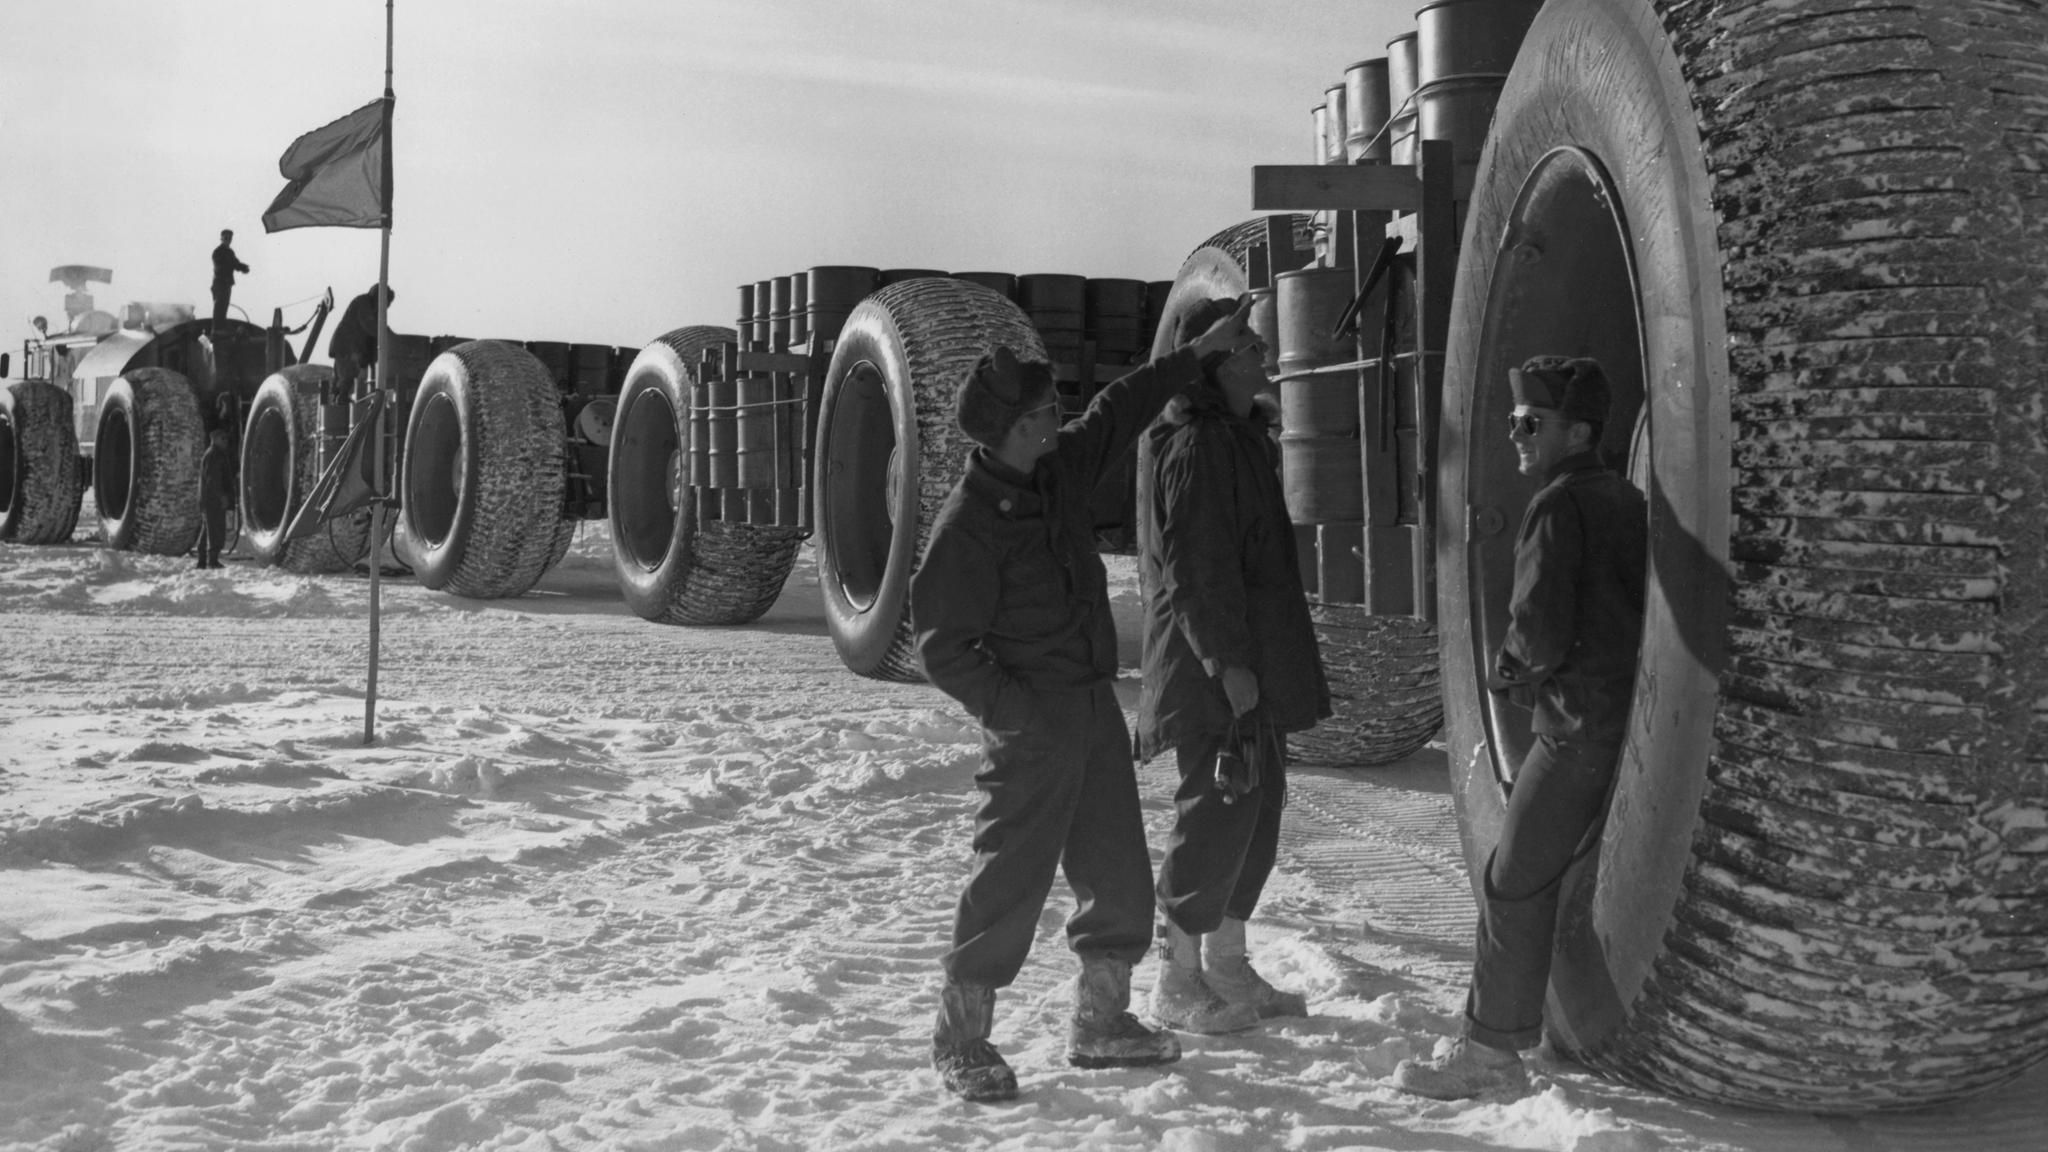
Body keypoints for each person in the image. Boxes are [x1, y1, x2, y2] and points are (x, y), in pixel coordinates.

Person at [910, 300, 1258, 1103]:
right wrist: (1016, 711)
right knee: (1007, 886)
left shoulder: (1056, 470)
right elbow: (943, 647)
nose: (1053, 423)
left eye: (1052, 410)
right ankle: (960, 1039)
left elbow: (1122, 408)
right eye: (1038, 415)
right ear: (1002, 429)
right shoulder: (967, 527)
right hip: (1032, 723)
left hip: (1092, 710)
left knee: (1119, 877)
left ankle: (1101, 1022)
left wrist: (1195, 357)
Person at [1390, 355, 1647, 1099]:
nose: (1515, 436)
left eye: (1530, 423)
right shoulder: (1625, 499)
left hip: (1574, 728)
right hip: (1623, 718)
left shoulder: (1557, 505)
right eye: (1512, 422)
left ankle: (1490, 1055)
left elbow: (1535, 627)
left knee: (1511, 881)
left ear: (1579, 430)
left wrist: (1505, 673)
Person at [1135, 296, 1330, 1035]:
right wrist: (1227, 664)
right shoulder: (1199, 447)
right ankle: (1175, 979)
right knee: (1216, 811)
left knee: (1256, 808)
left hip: (1247, 665)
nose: (1262, 350)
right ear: (1214, 365)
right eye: (1246, 342)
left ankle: (1225, 965)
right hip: (1209, 667)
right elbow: (1196, 572)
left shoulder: (1241, 439)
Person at [330, 284, 394, 395]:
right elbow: (370, 325)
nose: (385, 308)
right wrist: (387, 334)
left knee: (345, 381)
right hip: (346, 348)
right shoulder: (363, 302)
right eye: (385, 303)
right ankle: (338, 403)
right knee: (346, 378)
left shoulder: (372, 309)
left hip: (352, 349)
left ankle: (338, 402)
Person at [195, 427, 236, 570]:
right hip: (213, 500)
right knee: (215, 529)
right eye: (223, 438)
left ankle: (202, 561)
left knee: (207, 528)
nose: (226, 441)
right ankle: (212, 560)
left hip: (208, 499)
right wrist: (222, 497)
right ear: (215, 439)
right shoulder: (214, 455)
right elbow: (213, 480)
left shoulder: (213, 454)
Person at [210, 230, 249, 330]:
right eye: (226, 238)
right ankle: (216, 330)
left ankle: (220, 328)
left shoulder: (230, 252)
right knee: (219, 308)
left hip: (227, 284)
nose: (228, 240)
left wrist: (243, 267)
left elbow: (235, 263)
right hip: (219, 284)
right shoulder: (217, 252)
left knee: (224, 307)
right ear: (221, 238)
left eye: (229, 238)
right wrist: (237, 266)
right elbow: (221, 267)